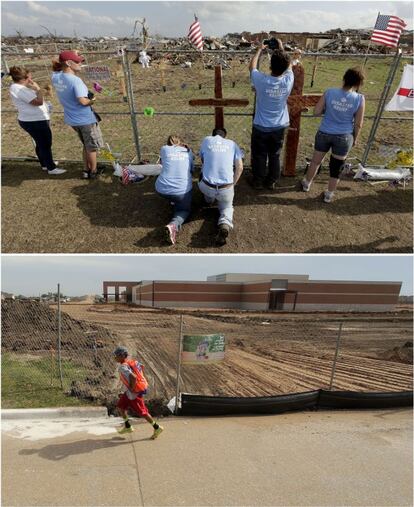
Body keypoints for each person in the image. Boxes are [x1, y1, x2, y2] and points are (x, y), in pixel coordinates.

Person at [301, 67, 365, 203]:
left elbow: (316, 112)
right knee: (336, 167)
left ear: (344, 78)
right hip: (345, 136)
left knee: (316, 161)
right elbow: (358, 123)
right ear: (358, 83)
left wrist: (329, 110)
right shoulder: (359, 98)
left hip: (324, 132)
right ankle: (329, 194)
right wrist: (355, 138)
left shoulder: (329, 92)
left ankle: (307, 183)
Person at [51, 50, 104, 179]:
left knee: (85, 145)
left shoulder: (56, 77)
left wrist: (72, 52)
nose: (80, 63)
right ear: (69, 63)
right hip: (85, 119)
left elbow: (58, 68)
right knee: (91, 147)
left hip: (72, 119)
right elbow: (82, 101)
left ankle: (86, 170)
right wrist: (92, 100)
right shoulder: (76, 80)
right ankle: (94, 171)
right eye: (77, 61)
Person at [249, 41, 294, 190]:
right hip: (279, 126)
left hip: (261, 126)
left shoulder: (262, 80)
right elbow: (288, 65)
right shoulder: (288, 80)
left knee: (259, 155)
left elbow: (252, 67)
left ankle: (258, 181)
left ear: (270, 66)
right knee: (275, 155)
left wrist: (259, 50)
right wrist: (281, 47)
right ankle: (271, 181)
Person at [8, 66, 65, 175]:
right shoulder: (19, 89)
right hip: (34, 121)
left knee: (40, 143)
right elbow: (37, 102)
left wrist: (37, 91)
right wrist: (38, 89)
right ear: (25, 78)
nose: (32, 78)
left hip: (34, 119)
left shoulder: (20, 87)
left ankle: (45, 163)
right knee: (45, 143)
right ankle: (51, 168)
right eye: (30, 76)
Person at [198, 128, 244, 246]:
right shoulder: (232, 144)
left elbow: (203, 160)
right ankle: (224, 224)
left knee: (204, 182)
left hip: (207, 186)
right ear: (225, 136)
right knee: (227, 208)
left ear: (213, 135)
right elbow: (240, 167)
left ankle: (208, 200)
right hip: (226, 188)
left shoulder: (207, 140)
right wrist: (232, 185)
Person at [113, 346, 164, 439]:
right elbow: (141, 367)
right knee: (120, 407)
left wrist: (132, 388)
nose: (114, 357)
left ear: (121, 356)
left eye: (116, 355)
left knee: (142, 412)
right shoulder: (133, 362)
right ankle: (128, 426)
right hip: (131, 392)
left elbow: (133, 377)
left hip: (133, 393)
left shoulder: (123, 367)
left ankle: (157, 427)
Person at [155, 135, 194, 245]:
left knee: (173, 194)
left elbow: (163, 163)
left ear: (168, 143)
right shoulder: (188, 152)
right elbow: (192, 170)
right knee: (183, 210)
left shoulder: (164, 149)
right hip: (181, 191)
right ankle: (173, 225)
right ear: (180, 142)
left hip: (161, 188)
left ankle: (173, 199)